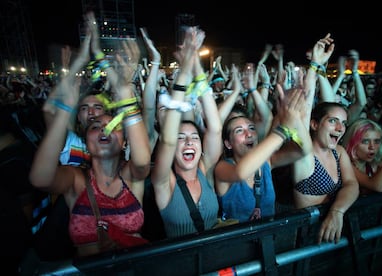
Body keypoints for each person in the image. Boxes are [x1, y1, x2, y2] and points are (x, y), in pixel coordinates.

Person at [29, 12, 151, 257]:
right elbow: (41, 179)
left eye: (111, 125)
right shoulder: (75, 179)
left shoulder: (131, 175)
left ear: (125, 140)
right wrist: (68, 104)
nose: (102, 127)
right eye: (95, 127)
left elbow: (142, 161)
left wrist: (126, 89)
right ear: (85, 141)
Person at [150, 26, 222, 238]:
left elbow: (216, 128)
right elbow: (168, 140)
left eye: (194, 138)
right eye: (181, 138)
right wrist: (183, 72)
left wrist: (197, 67)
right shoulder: (163, 180)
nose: (189, 142)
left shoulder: (205, 171)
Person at [214, 71, 312, 222]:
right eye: (239, 131)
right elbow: (241, 173)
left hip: (267, 241)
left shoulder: (267, 162)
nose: (249, 134)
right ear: (228, 143)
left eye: (251, 128)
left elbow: (303, 150)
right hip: (237, 243)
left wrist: (294, 115)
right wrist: (283, 130)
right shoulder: (222, 168)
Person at [292, 34, 360, 245]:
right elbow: (304, 111)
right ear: (314, 125)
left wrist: (337, 211)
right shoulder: (303, 154)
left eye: (343, 123)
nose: (340, 128)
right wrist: (314, 65)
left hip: (334, 233)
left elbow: (351, 184)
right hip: (307, 239)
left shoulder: (337, 152)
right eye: (333, 122)